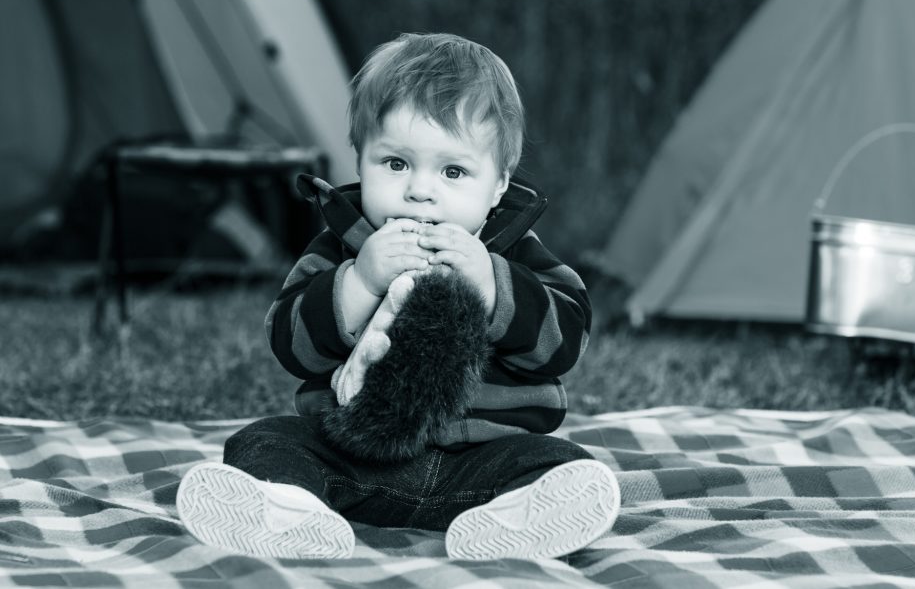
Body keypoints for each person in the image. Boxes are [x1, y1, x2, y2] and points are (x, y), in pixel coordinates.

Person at [175, 32, 620, 560]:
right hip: (351, 459)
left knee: (562, 462)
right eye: (396, 164)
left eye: (453, 171)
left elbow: (567, 340)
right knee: (261, 441)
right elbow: (289, 341)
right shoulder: (343, 246)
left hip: (483, 459)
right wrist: (359, 284)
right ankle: (292, 513)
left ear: (498, 185)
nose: (419, 191)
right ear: (360, 162)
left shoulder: (514, 254)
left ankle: (512, 521)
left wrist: (491, 285)